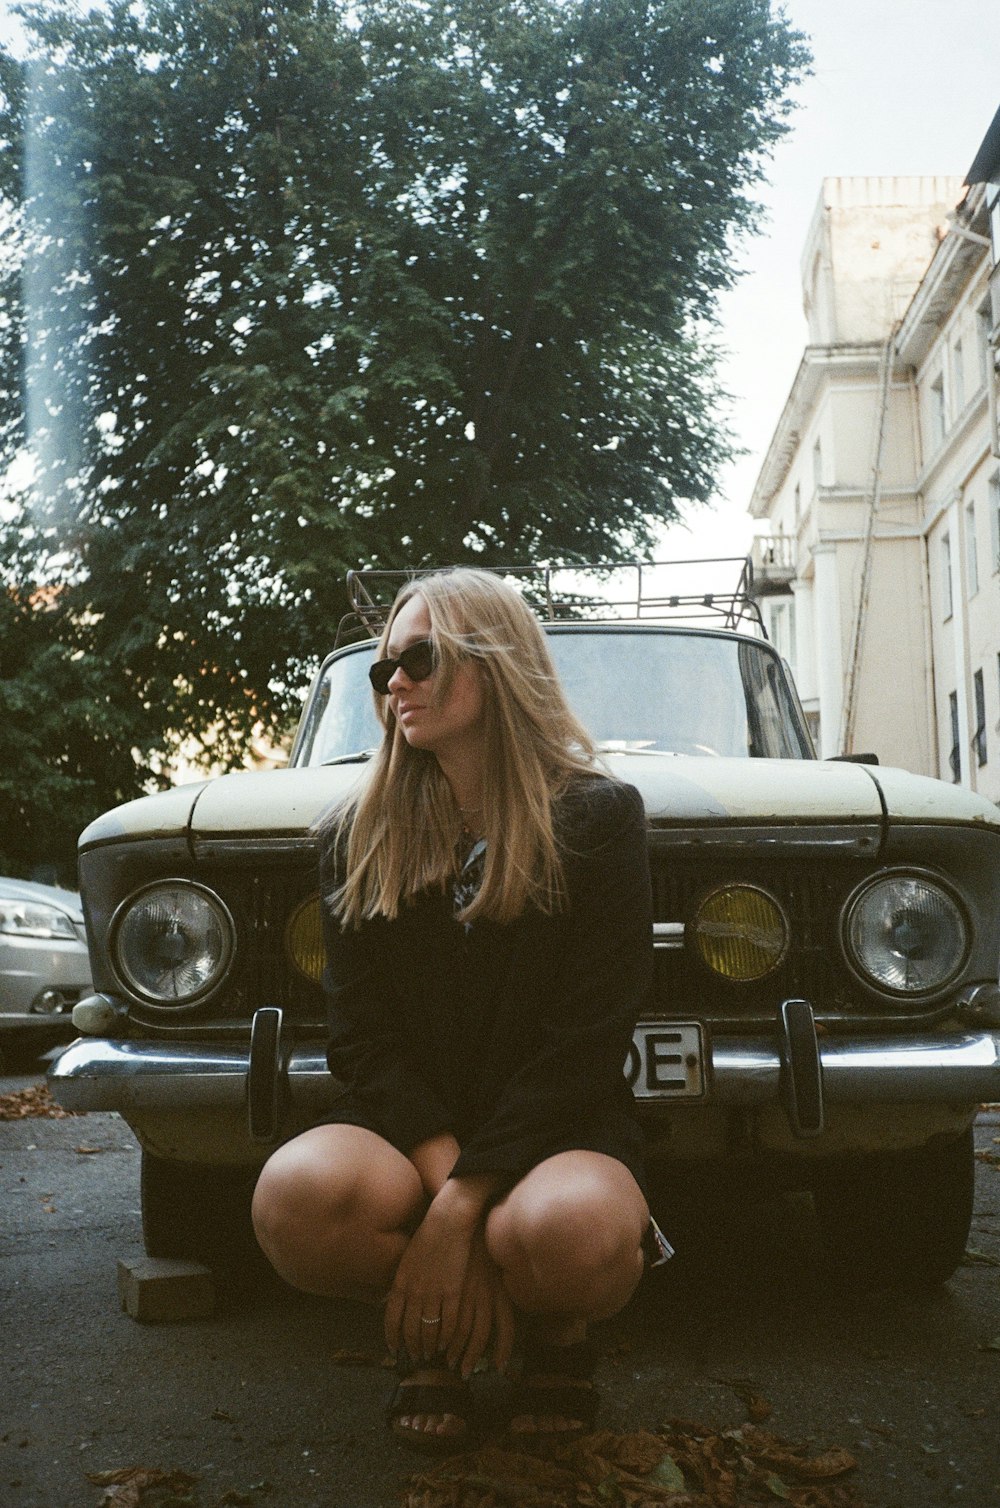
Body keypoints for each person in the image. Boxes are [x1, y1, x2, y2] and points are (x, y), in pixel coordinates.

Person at [251, 567, 662, 1450]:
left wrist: (458, 1212)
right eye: (382, 667)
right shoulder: (354, 835)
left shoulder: (597, 818)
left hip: (561, 1127)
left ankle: (556, 1331)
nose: (393, 681)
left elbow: (586, 1042)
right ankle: (438, 1323)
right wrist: (452, 1213)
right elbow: (362, 1042)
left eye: (420, 658)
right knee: (293, 1200)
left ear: (498, 663)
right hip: (406, 1131)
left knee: (572, 1235)